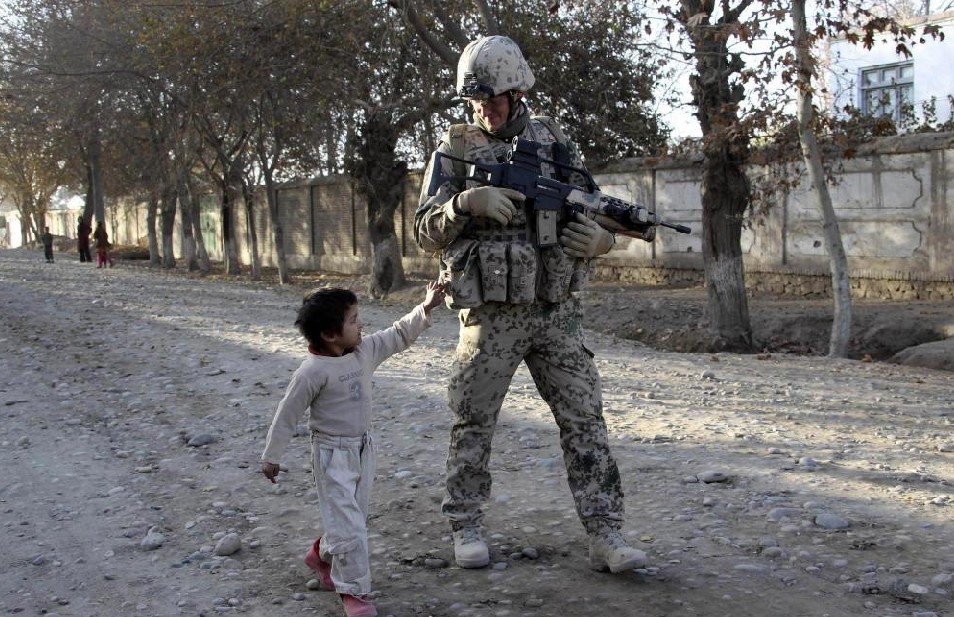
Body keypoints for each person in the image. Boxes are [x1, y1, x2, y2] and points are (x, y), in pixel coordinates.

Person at [414, 35, 647, 574]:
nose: (484, 110)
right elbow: (424, 232)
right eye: (476, 102)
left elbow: (590, 207)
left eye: (493, 100)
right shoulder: (455, 150)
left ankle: (606, 534)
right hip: (491, 316)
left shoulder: (553, 144)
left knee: (586, 421)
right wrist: (462, 203)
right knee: (472, 421)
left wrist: (605, 242)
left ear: (518, 93)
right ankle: (466, 524)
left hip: (554, 312)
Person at [261, 282, 445, 617]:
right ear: (331, 334)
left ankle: (321, 554)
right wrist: (272, 456)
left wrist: (426, 307)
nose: (362, 325)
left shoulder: (363, 351)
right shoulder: (312, 372)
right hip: (332, 456)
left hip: (363, 449)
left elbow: (398, 334)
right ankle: (355, 592)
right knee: (351, 526)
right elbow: (287, 414)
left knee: (352, 518)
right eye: (354, 320)